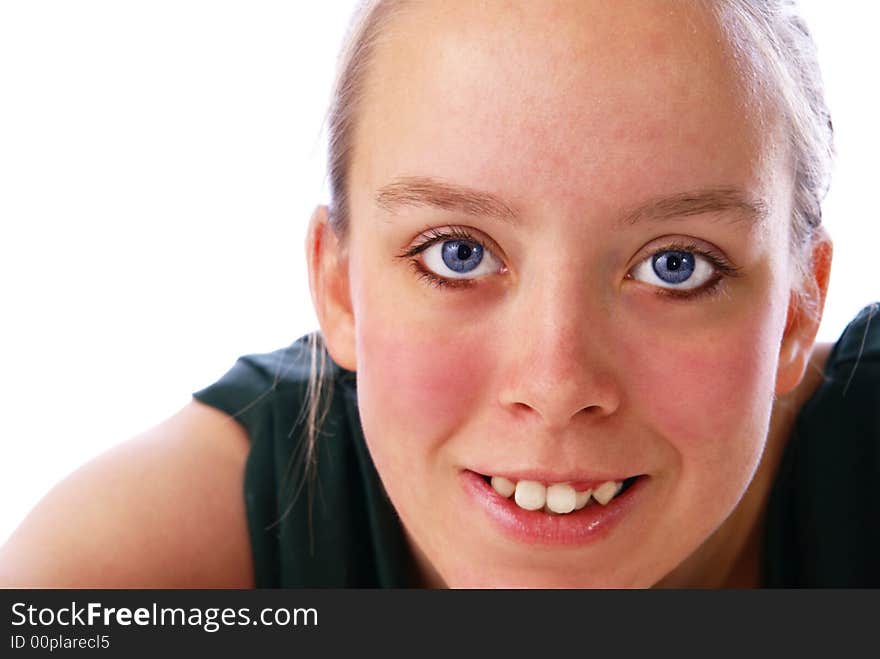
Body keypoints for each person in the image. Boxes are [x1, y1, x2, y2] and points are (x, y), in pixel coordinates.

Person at [1, 0, 877, 588]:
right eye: (457, 253)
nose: (558, 383)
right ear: (340, 287)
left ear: (801, 306)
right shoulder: (126, 567)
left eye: (675, 265)